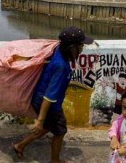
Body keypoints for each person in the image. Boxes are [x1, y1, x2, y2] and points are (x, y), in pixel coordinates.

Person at [12, 26, 94, 163]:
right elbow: (49, 97)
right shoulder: (62, 67)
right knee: (60, 131)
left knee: (49, 127)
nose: (82, 49)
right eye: (80, 46)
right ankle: (54, 161)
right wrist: (40, 120)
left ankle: (20, 146)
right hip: (49, 105)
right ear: (72, 47)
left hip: (39, 98)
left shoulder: (56, 50)